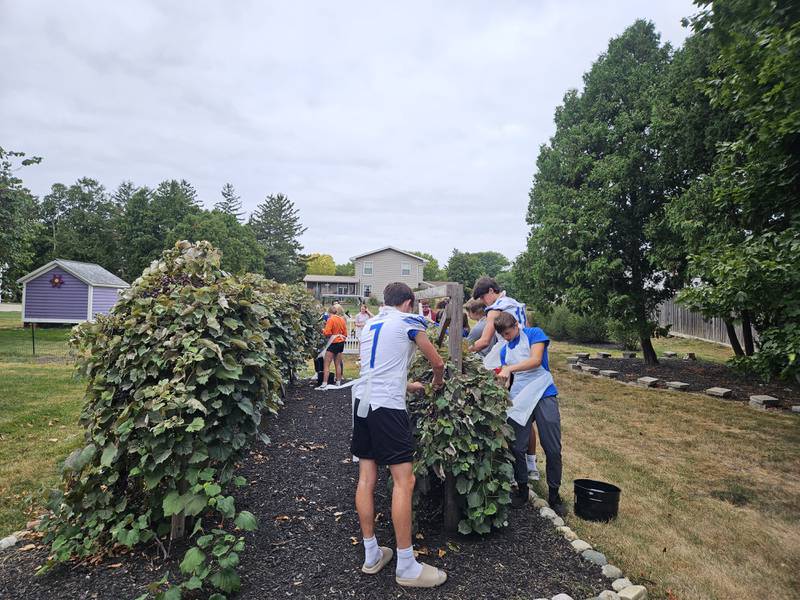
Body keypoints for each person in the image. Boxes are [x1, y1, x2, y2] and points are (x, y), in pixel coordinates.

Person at [351, 282, 447, 588]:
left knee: (366, 479)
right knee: (404, 481)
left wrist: (408, 385)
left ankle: (371, 555)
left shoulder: (370, 324)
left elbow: (377, 368)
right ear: (408, 302)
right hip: (388, 409)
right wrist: (436, 381)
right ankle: (407, 566)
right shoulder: (408, 320)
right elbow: (437, 361)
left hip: (361, 403)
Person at [467, 277, 540, 481]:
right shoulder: (517, 304)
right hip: (526, 359)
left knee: (506, 411)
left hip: (508, 360)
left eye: (483, 297)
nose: (484, 302)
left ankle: (512, 464)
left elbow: (483, 341)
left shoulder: (495, 308)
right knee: (527, 413)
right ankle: (531, 464)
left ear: (491, 291)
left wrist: (464, 350)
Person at [493, 311, 565, 515]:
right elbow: (507, 380)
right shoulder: (504, 351)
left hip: (543, 392)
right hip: (521, 396)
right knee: (517, 445)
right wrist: (500, 386)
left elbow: (535, 360)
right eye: (504, 335)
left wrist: (510, 368)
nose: (508, 337)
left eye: (509, 332)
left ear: (516, 325)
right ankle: (522, 489)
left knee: (552, 447)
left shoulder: (534, 334)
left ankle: (554, 493)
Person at [317, 305, 347, 389]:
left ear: (329, 312)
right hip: (341, 342)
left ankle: (324, 383)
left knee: (326, 364)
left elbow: (327, 332)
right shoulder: (342, 319)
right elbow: (345, 333)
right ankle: (338, 382)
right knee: (337, 364)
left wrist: (322, 330)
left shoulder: (331, 320)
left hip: (333, 342)